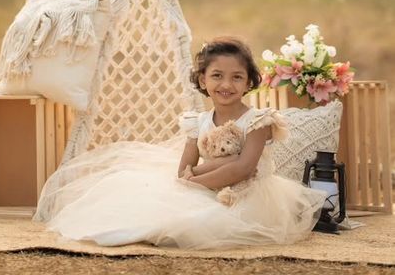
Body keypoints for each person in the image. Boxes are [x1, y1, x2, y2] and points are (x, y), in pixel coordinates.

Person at [34, 36, 326, 249]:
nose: (227, 85)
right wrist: (191, 177)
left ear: (249, 82)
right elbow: (184, 166)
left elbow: (244, 168)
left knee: (202, 225)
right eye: (217, 76)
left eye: (237, 77)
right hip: (203, 186)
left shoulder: (258, 121)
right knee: (145, 205)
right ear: (202, 80)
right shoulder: (196, 122)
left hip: (245, 193)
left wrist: (196, 179)